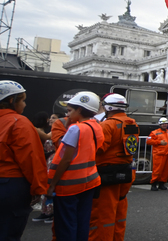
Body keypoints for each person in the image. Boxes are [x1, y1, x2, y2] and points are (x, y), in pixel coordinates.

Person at [47, 91, 105, 241]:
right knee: (82, 222)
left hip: (68, 186)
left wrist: (52, 185)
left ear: (79, 110)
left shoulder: (75, 129)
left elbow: (65, 160)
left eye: (70, 111)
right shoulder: (96, 126)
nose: (67, 115)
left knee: (66, 225)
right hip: (89, 182)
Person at [0, 80, 48, 240]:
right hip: (11, 185)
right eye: (23, 100)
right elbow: (31, 159)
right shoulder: (18, 122)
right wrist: (38, 188)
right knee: (8, 233)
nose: (25, 104)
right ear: (11, 101)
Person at [89, 93, 139, 241]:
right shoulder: (132, 124)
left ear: (108, 107)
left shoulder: (107, 125)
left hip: (106, 174)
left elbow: (98, 149)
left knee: (103, 215)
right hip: (126, 171)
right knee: (119, 212)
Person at [147, 117, 168, 191]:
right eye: (163, 124)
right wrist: (159, 142)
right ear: (160, 125)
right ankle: (154, 184)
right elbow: (148, 141)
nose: (164, 125)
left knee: (165, 170)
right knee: (157, 170)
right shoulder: (155, 132)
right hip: (159, 154)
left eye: (165, 124)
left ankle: (162, 184)